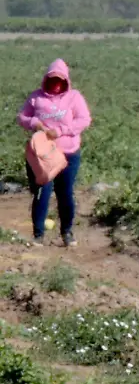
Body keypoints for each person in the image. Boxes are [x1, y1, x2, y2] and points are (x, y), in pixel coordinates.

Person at [16, 58, 91, 246]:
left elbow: (84, 120)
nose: (56, 84)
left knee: (65, 192)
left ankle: (67, 232)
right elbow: (22, 117)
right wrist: (35, 123)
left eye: (60, 80)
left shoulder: (74, 97)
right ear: (46, 80)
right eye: (52, 80)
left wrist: (60, 131)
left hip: (68, 153)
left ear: (65, 81)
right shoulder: (36, 97)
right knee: (42, 192)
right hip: (42, 155)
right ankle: (38, 235)